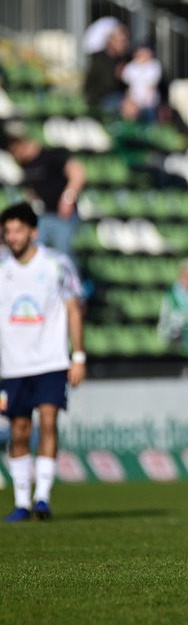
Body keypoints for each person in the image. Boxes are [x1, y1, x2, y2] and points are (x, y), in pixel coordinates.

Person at [0, 202, 85, 522]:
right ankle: (21, 502)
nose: (13, 236)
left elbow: (73, 309)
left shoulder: (56, 264)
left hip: (51, 360)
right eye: (8, 231)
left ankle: (42, 499)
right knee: (19, 430)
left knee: (48, 421)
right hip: (13, 365)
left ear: (33, 232)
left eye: (19, 230)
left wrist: (78, 356)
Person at [3, 123, 87, 263]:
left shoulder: (50, 155)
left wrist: (67, 198)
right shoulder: (25, 166)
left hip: (62, 217)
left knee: (63, 255)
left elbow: (78, 173)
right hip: (42, 217)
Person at [83, 23, 129, 116]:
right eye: (121, 41)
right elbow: (105, 86)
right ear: (111, 41)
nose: (124, 44)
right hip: (102, 101)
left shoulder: (125, 59)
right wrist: (118, 77)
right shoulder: (100, 59)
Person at [120, 44, 162, 124]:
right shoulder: (131, 66)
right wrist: (129, 100)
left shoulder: (154, 65)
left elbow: (152, 86)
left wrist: (144, 101)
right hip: (133, 101)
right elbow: (128, 85)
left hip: (148, 102)